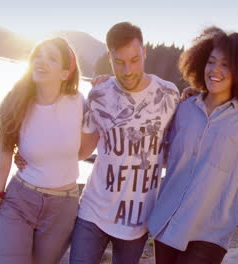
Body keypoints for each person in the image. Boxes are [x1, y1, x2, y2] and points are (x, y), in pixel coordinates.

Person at [148, 27, 238, 264]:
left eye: (226, 65)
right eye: (211, 61)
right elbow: (160, 154)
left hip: (209, 233)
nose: (215, 70)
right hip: (167, 222)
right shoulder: (184, 109)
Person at [68, 22, 180, 264]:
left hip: (137, 221)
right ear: (110, 57)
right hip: (93, 213)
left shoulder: (169, 95)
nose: (128, 70)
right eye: (119, 62)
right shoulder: (99, 95)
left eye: (134, 59)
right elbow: (82, 151)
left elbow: (173, 151)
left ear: (144, 52)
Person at [0, 38, 94, 263]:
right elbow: (2, 158)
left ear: (65, 73)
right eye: (38, 55)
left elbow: (83, 152)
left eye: (51, 58)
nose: (41, 61)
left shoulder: (80, 103)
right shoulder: (14, 102)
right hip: (20, 199)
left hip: (62, 207)